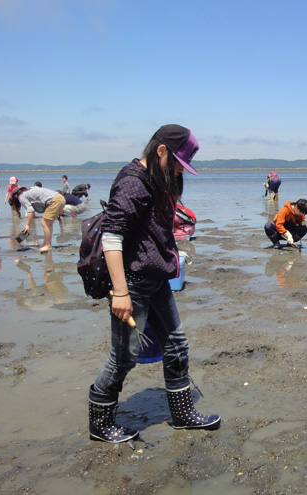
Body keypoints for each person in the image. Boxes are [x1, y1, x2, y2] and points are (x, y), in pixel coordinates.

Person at [89, 124, 220, 443]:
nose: (179, 170)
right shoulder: (132, 182)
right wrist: (120, 292)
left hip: (157, 279)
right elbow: (112, 237)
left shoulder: (159, 181)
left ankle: (182, 414)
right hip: (132, 283)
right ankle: (100, 423)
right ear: (161, 150)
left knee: (177, 345)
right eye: (178, 163)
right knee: (124, 356)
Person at [11, 185, 66, 253]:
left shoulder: (21, 196)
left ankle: (48, 245)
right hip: (59, 198)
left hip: (54, 201)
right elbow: (43, 198)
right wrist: (58, 214)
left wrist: (27, 225)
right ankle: (45, 243)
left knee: (45, 223)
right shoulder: (30, 189)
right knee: (47, 223)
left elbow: (30, 210)